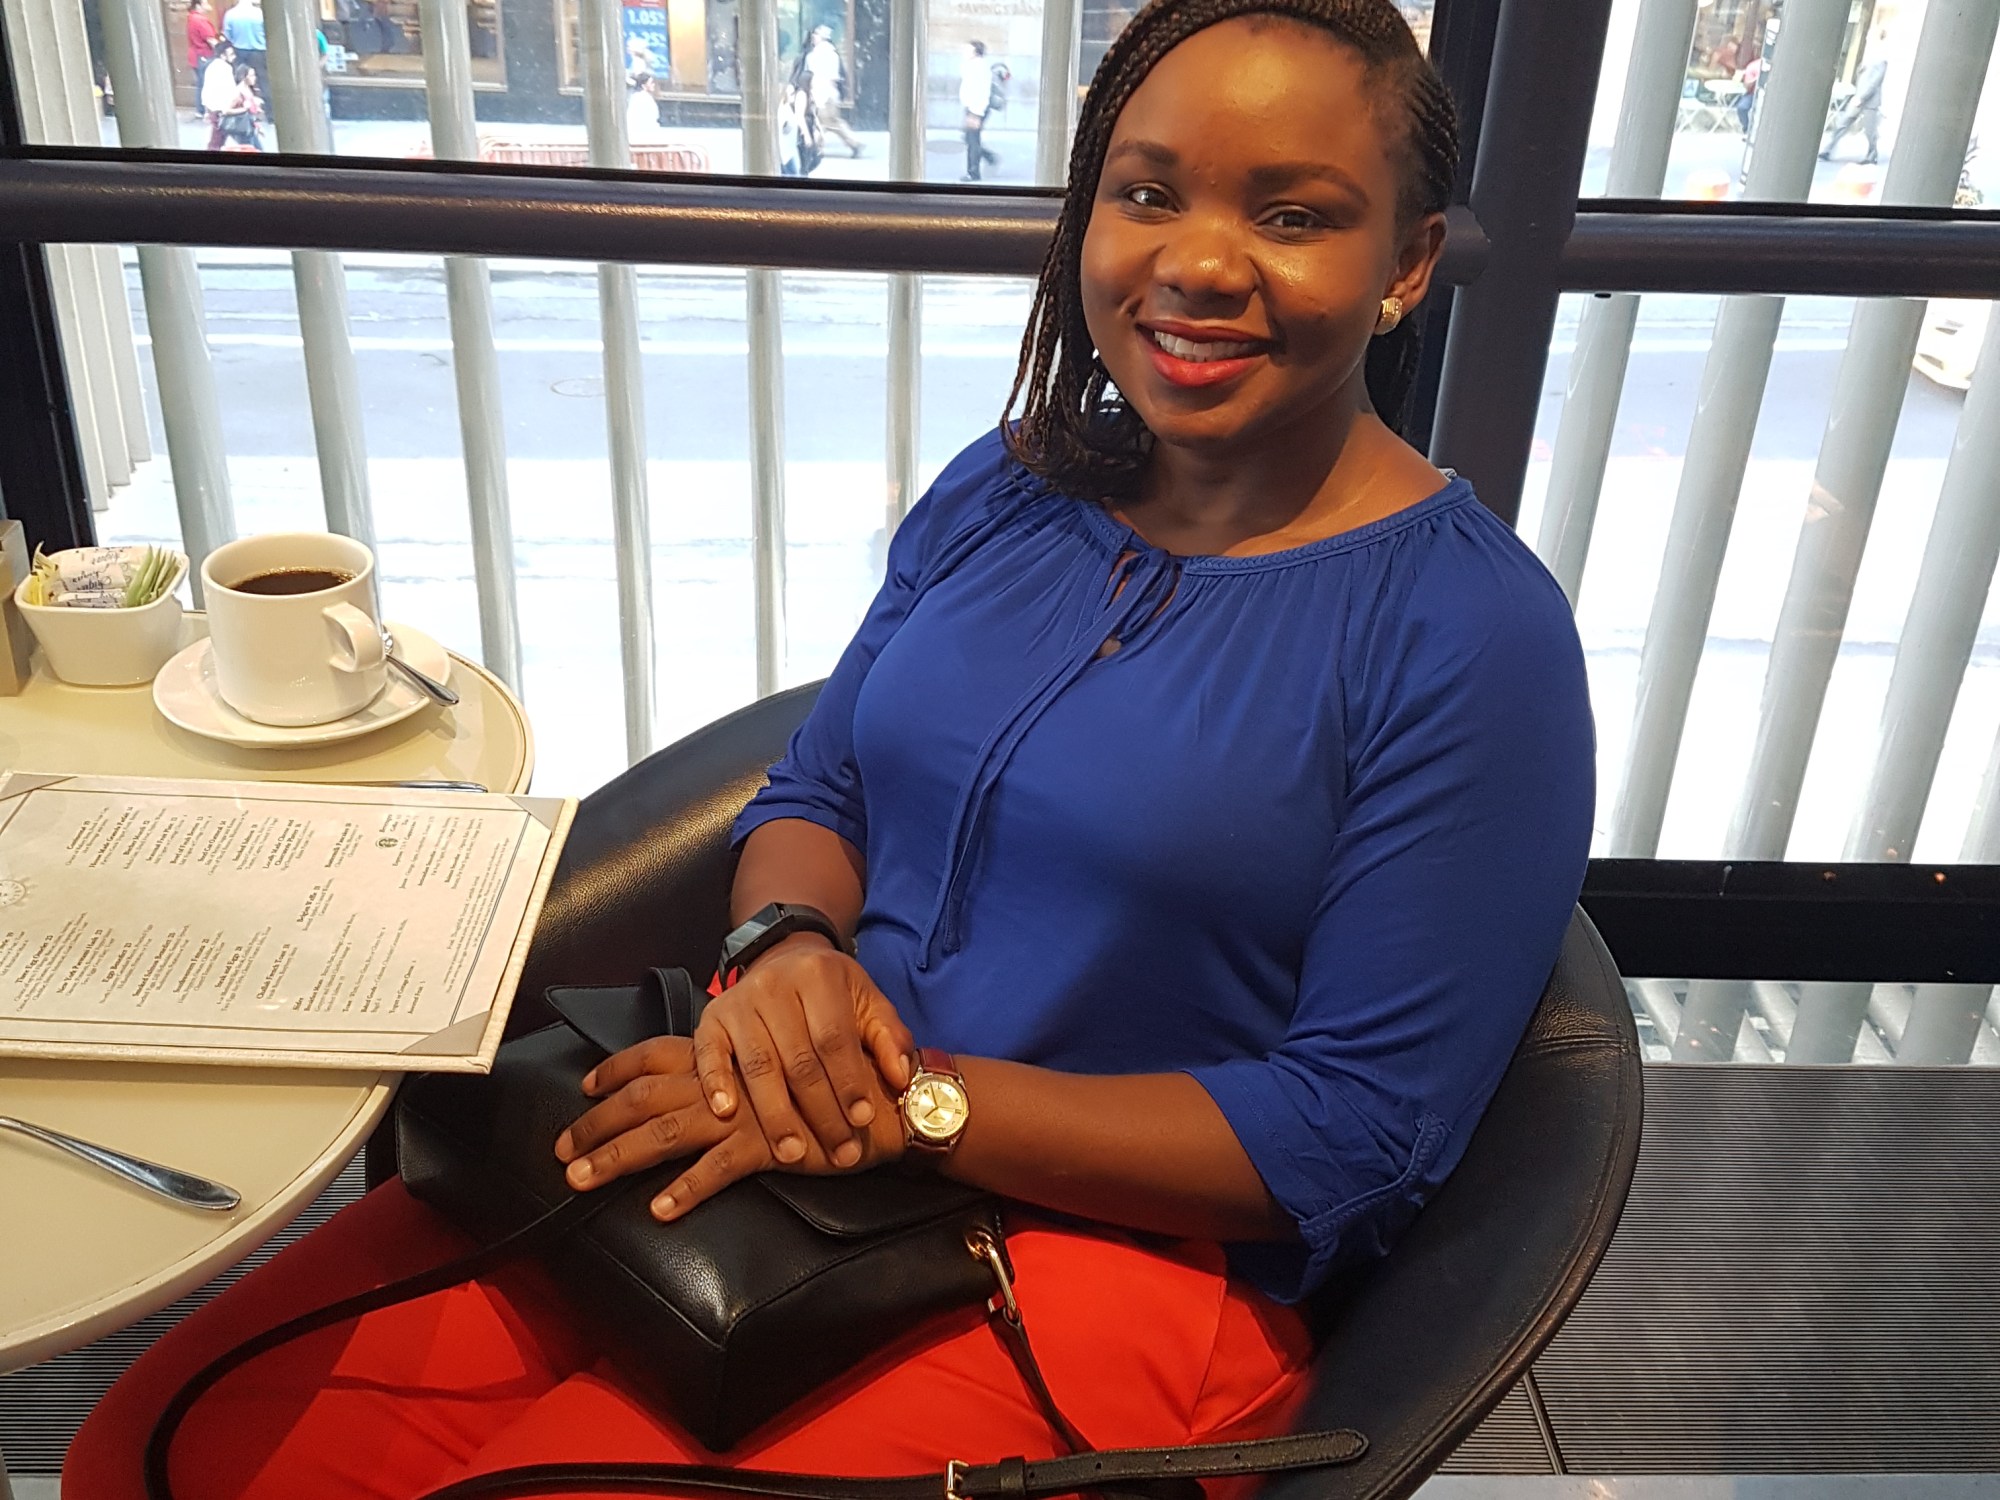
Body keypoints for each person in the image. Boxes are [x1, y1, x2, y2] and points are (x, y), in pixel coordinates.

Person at [67, 2, 1595, 1494]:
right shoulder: (1013, 487)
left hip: (1118, 1266)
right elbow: (824, 785)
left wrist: (905, 1106)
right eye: (1147, 195)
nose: (1197, 261)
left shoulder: (1471, 638)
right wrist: (788, 947)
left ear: (1405, 265)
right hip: (790, 1123)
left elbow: (1352, 1137)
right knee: (150, 1454)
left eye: (1293, 215)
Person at [1822, 28, 1890, 164]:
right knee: (1843, 123)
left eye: (1870, 35)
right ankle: (1827, 150)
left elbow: (1874, 81)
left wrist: (1861, 97)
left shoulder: (1881, 56)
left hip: (1869, 101)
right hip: (1859, 97)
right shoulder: (1870, 53)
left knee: (1870, 131)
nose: (1867, 37)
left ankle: (1872, 155)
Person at [799, 23, 861, 157]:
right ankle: (818, 147)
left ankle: (818, 148)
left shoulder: (816, 55)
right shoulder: (831, 54)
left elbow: (817, 76)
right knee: (828, 122)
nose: (814, 36)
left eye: (817, 34)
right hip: (827, 94)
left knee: (826, 122)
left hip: (822, 94)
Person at [959, 38, 1000, 180]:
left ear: (976, 52)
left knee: (972, 140)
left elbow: (982, 91)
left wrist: (976, 113)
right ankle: (989, 157)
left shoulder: (979, 67)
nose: (964, 51)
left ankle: (973, 172)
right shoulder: (971, 65)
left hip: (976, 109)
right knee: (969, 138)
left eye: (967, 49)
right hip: (972, 107)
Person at [199, 40, 239, 150]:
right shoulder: (226, 68)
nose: (234, 57)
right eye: (231, 54)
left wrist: (206, 109)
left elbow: (206, 88)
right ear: (223, 55)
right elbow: (231, 89)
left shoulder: (211, 66)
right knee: (217, 140)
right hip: (222, 107)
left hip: (213, 106)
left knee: (217, 138)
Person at [221, 0, 267, 90]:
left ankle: (244, 96)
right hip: (259, 51)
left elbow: (227, 34)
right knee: (262, 78)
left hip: (239, 50)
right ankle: (265, 97)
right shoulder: (259, 14)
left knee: (241, 78)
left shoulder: (230, 14)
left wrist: (235, 41)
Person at [626, 69, 665, 143]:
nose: (654, 85)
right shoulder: (644, 98)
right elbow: (650, 120)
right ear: (643, 85)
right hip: (644, 136)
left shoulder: (635, 97)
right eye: (651, 83)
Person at [185, 0, 220, 77]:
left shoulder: (191, 17)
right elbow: (211, 40)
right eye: (205, 3)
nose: (208, 5)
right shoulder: (200, 20)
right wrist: (221, 51)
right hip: (204, 56)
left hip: (196, 57)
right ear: (198, 6)